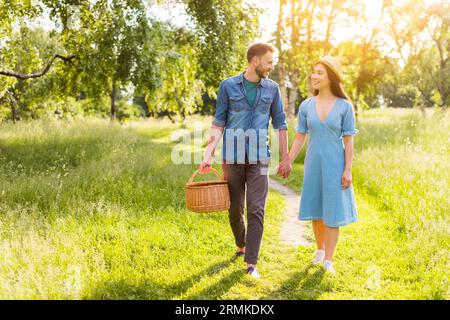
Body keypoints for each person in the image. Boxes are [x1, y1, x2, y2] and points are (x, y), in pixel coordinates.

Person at [199, 42, 291, 279]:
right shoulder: (228, 86)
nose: (272, 66)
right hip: (232, 157)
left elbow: (280, 123)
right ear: (255, 61)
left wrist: (286, 158)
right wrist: (208, 154)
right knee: (235, 209)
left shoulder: (272, 89)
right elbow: (219, 122)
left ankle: (252, 262)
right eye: (269, 62)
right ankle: (241, 244)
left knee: (257, 209)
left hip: (260, 158)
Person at [288, 55, 359, 274]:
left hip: (335, 163)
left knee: (333, 210)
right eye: (314, 71)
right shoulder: (306, 105)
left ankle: (329, 260)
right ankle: (320, 251)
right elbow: (300, 136)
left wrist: (347, 169)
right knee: (317, 208)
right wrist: (288, 160)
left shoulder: (345, 106)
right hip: (313, 163)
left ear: (331, 77)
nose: (314, 76)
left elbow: (349, 141)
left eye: (320, 72)